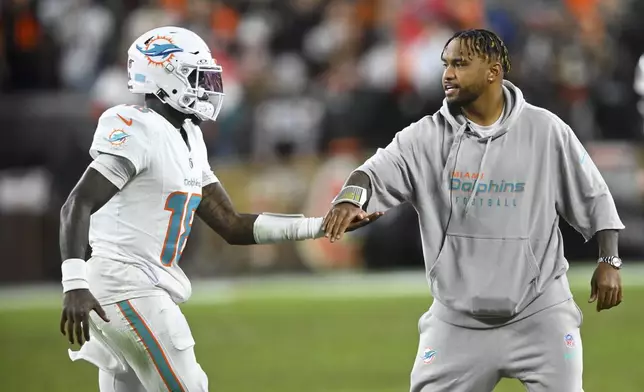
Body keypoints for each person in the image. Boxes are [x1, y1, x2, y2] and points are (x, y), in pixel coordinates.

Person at [58, 26, 379, 392]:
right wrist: (73, 283)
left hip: (134, 287)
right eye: (198, 76)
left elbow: (232, 224)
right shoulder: (136, 128)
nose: (208, 86)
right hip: (126, 285)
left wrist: (321, 225)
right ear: (165, 77)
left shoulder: (189, 135)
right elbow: (77, 204)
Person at [323, 29, 625, 392]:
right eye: (445, 64)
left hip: (540, 314)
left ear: (493, 72)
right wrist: (349, 197)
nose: (447, 74)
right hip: (456, 322)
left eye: (460, 64)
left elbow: (595, 197)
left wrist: (609, 261)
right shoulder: (425, 136)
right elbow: (370, 172)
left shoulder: (545, 130)